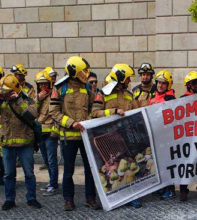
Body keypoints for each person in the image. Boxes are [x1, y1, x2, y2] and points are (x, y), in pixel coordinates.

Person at [50, 56, 101, 211]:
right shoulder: (60, 88)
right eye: (83, 71)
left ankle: (90, 198)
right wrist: (71, 123)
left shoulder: (87, 87)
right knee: (68, 171)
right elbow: (54, 112)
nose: (86, 74)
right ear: (74, 71)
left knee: (90, 169)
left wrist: (94, 117)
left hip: (85, 136)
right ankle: (68, 200)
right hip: (69, 137)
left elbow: (94, 107)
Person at [0, 74, 41, 210]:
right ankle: (9, 199)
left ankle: (31, 198)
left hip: (25, 143)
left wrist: (18, 100)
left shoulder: (26, 99)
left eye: (8, 91)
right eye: (4, 91)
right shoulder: (1, 101)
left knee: (29, 173)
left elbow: (32, 115)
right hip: (7, 143)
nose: (6, 94)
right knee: (8, 174)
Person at [92, 63, 143, 208]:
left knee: (129, 165)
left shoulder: (129, 95)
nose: (129, 82)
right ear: (120, 79)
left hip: (127, 137)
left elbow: (138, 112)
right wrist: (113, 111)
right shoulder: (102, 94)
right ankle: (113, 197)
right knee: (112, 169)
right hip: (107, 138)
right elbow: (94, 113)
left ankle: (132, 196)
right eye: (127, 79)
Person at [179, 71, 197, 202]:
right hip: (187, 137)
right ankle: (183, 190)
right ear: (188, 85)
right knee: (186, 163)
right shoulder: (182, 98)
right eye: (194, 83)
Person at [149, 70, 177, 200]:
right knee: (159, 163)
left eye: (163, 84)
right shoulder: (153, 97)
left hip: (167, 135)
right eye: (159, 83)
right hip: (156, 134)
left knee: (168, 163)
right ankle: (162, 186)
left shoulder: (170, 98)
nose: (160, 86)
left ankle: (170, 189)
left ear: (168, 85)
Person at [35, 70, 59, 195]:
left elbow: (57, 114)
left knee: (52, 161)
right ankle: (51, 182)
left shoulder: (54, 95)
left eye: (44, 84)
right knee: (46, 160)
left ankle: (54, 185)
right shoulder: (38, 96)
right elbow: (32, 111)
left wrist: (55, 132)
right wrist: (38, 99)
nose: (42, 86)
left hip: (51, 134)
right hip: (41, 134)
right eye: (40, 84)